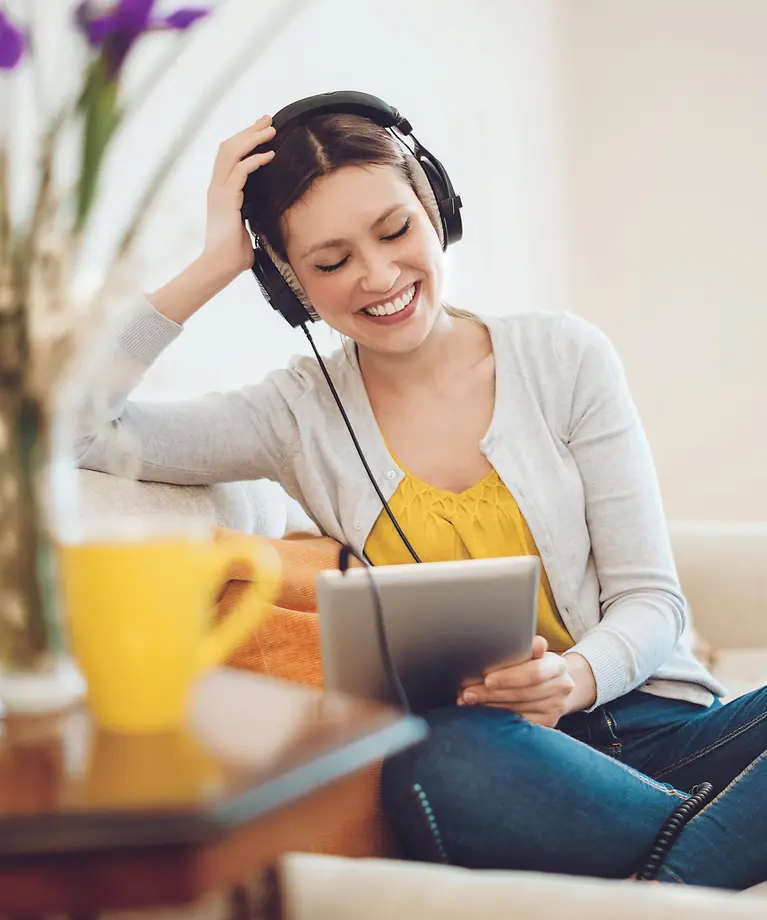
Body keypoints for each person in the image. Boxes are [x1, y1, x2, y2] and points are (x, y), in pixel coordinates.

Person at [77, 100, 767, 890]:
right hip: (495, 754)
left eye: (394, 230)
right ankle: (727, 835)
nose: (377, 276)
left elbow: (651, 600)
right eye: (329, 262)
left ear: (434, 204)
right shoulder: (290, 413)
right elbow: (71, 433)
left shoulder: (563, 356)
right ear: (285, 279)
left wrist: (572, 678)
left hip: (657, 722)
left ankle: (665, 886)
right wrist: (210, 265)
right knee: (431, 755)